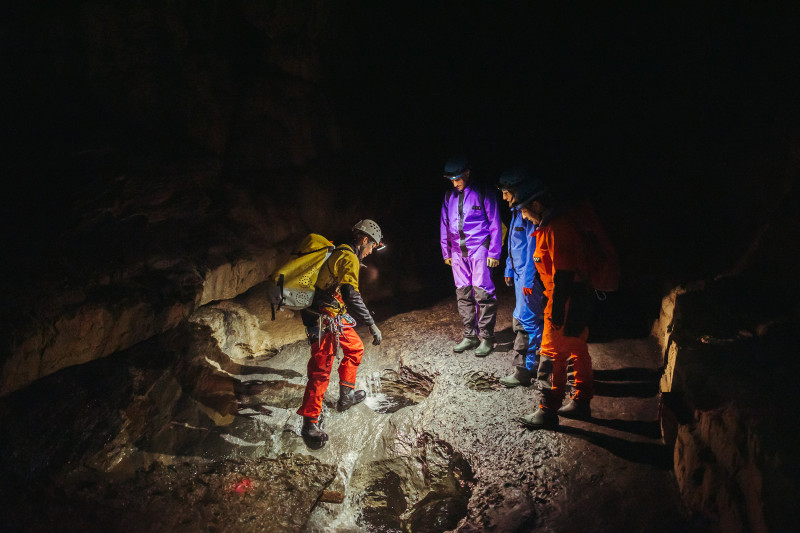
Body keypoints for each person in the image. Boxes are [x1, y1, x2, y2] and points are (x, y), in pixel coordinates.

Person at [513, 180, 594, 429]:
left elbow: (564, 272)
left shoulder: (557, 228)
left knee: (550, 353)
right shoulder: (553, 225)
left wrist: (556, 311)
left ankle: (547, 410)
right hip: (575, 296)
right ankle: (581, 402)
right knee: (577, 348)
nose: (523, 216)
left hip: (565, 298)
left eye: (524, 210)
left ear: (536, 204)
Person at [297, 219, 384, 446]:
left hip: (333, 314)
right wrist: (371, 323)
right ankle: (309, 424)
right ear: (364, 240)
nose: (371, 251)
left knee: (355, 347)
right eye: (372, 246)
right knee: (321, 370)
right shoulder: (348, 257)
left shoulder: (343, 253)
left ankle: (346, 397)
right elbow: (350, 293)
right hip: (322, 318)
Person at [440, 156, 503, 357]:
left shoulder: (483, 192)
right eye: (451, 180)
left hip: (479, 248)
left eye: (457, 179)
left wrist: (494, 252)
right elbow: (444, 223)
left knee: (483, 293)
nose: (455, 183)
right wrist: (446, 251)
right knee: (463, 293)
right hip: (458, 252)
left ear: (467, 173)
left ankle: (487, 337)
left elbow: (495, 222)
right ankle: (470, 335)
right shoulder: (449, 196)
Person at [495, 168, 545, 388]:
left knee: (526, 321)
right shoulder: (517, 212)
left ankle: (526, 370)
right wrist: (508, 268)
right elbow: (514, 246)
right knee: (522, 317)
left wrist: (528, 279)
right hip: (518, 274)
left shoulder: (529, 215)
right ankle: (532, 365)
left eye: (506, 192)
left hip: (527, 277)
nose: (504, 197)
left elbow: (533, 250)